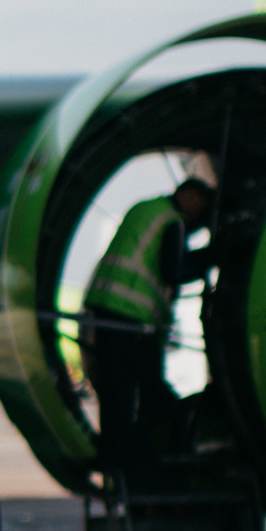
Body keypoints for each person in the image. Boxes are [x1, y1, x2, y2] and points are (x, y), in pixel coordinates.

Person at [84, 178, 214, 477]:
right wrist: (209, 257)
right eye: (201, 207)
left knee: (115, 389)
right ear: (190, 196)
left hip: (105, 305)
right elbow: (173, 271)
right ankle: (144, 455)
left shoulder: (146, 208)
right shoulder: (172, 221)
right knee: (148, 388)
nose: (198, 217)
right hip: (132, 315)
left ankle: (113, 454)